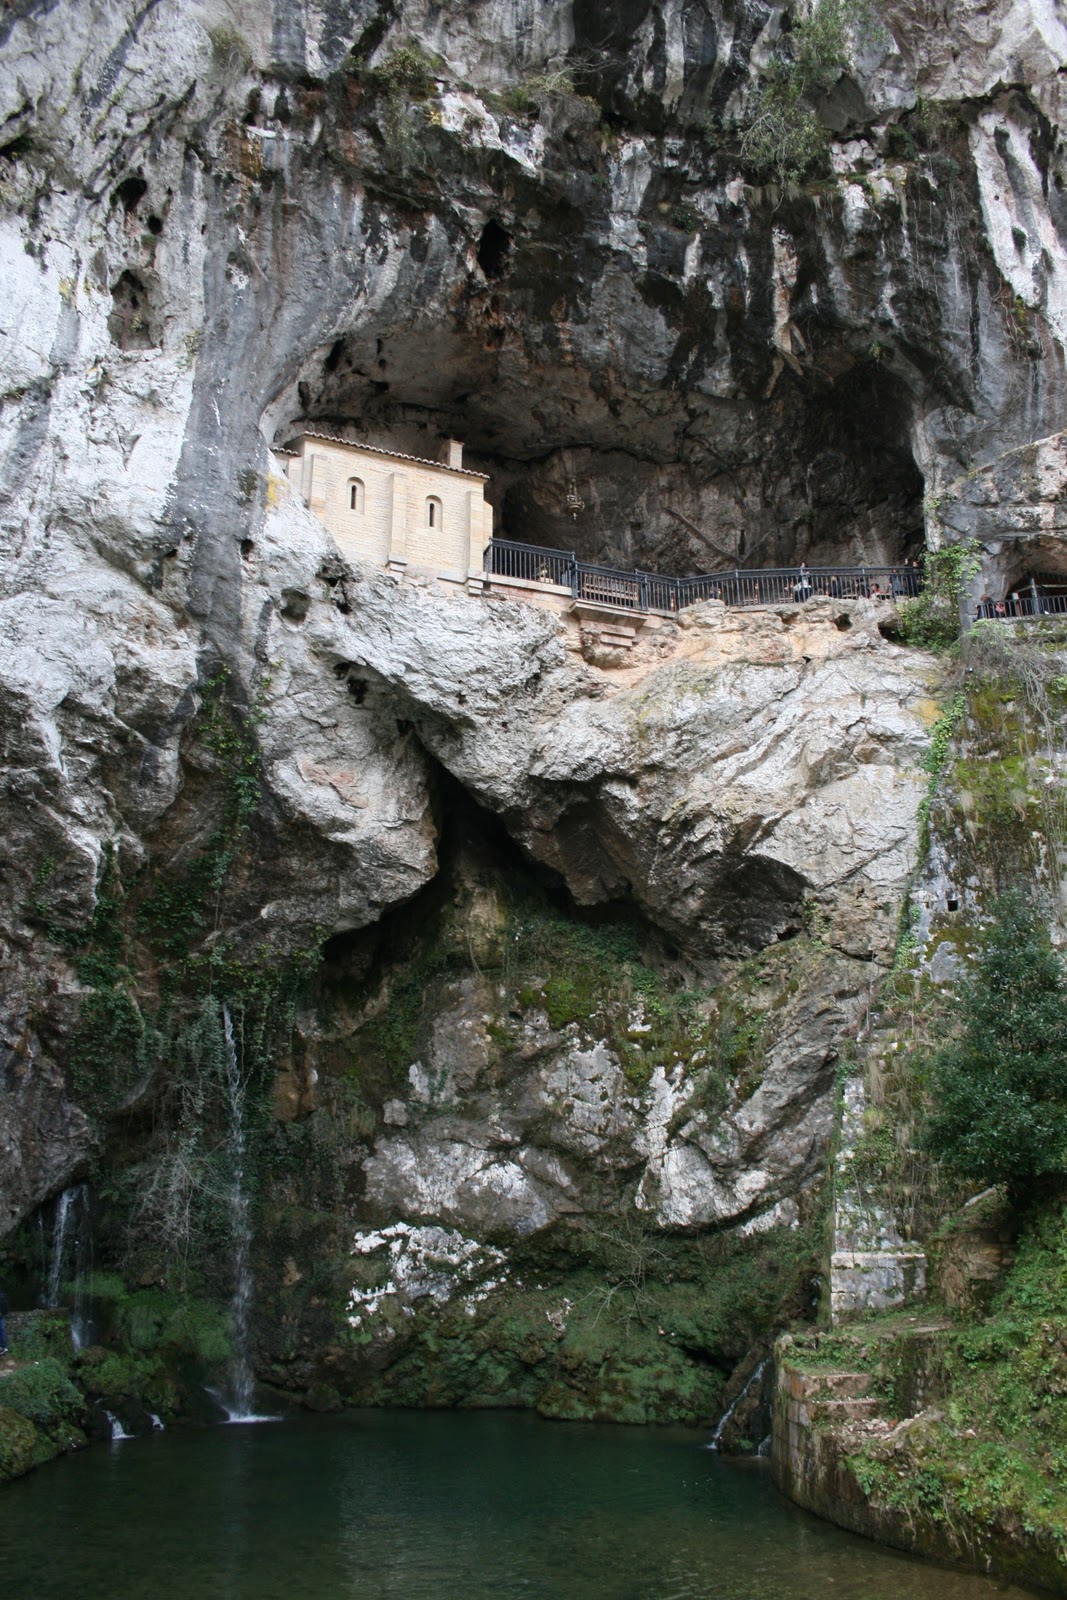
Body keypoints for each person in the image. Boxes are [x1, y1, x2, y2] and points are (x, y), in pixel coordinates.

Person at [0, 1284, 8, 1355]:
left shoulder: (2, 1294)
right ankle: (4, 1347)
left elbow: (4, 1304)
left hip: (1, 1314)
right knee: (2, 1330)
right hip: (2, 1314)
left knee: (2, 1330)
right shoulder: (2, 1293)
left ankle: (4, 1347)